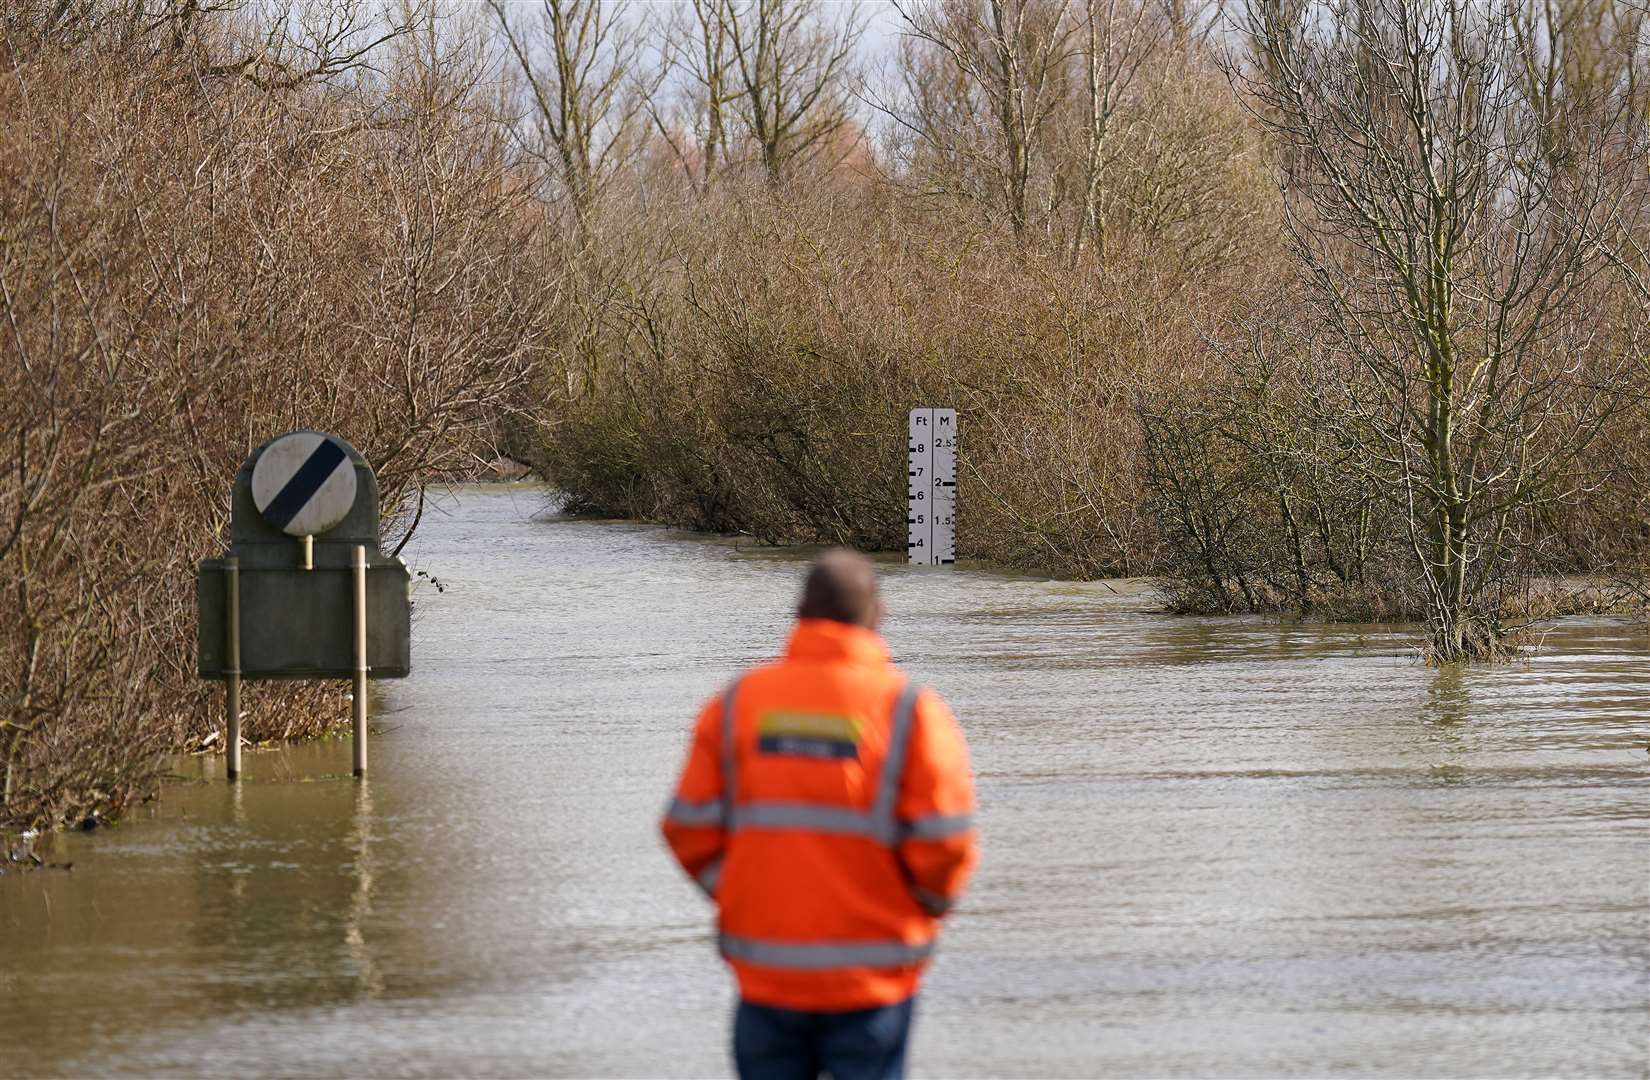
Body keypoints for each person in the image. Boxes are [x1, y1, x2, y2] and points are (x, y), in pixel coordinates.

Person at [661, 549, 979, 1080]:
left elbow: (685, 828)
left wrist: (741, 892)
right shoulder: (910, 711)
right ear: (879, 615)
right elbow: (946, 842)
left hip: (768, 975)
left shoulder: (738, 704)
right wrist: (924, 906)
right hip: (873, 977)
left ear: (799, 613)